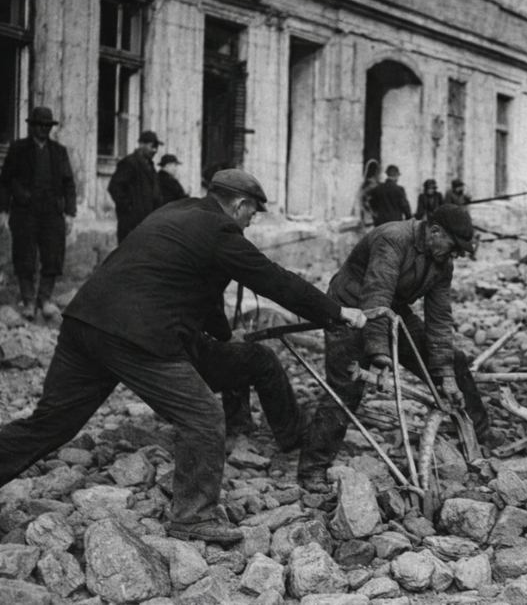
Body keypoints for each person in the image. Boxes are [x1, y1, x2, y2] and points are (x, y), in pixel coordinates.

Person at [0, 169, 367, 543]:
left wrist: (224, 336)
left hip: (85, 322)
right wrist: (337, 312)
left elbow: (199, 289)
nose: (251, 222)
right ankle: (192, 517)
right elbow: (275, 280)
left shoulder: (177, 210)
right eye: (252, 213)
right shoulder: (221, 231)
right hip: (138, 336)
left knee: (52, 423)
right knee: (204, 418)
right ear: (239, 205)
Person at [298, 204, 500, 492]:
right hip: (347, 308)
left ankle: (480, 435)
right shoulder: (393, 238)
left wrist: (445, 374)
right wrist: (379, 352)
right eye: (453, 247)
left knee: (454, 362)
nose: (455, 255)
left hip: (392, 310)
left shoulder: (442, 262)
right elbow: (376, 293)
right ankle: (312, 468)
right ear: (435, 231)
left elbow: (439, 319)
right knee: (346, 388)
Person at [0, 107, 76, 320]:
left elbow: (69, 184)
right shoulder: (18, 149)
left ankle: (44, 299)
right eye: (39, 125)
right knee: (24, 256)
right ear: (32, 126)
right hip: (25, 212)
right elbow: (5, 182)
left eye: (47, 126)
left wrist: (69, 213)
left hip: (52, 211)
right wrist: (3, 210)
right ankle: (28, 301)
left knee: (53, 256)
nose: (43, 129)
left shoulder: (59, 152)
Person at [108, 130, 163, 243]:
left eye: (156, 147)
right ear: (141, 144)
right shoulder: (130, 163)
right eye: (152, 146)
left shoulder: (150, 166)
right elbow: (115, 187)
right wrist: (129, 210)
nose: (155, 150)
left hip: (147, 224)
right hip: (131, 225)